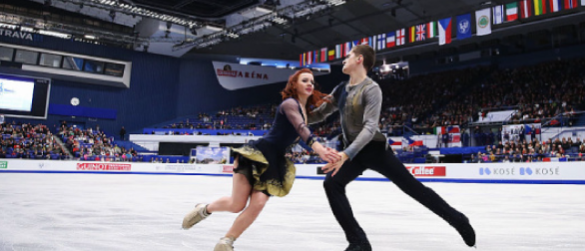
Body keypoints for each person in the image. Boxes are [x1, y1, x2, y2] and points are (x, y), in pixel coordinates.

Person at [309, 45, 476, 251]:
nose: (343, 60)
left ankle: (458, 219)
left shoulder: (371, 89)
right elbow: (320, 114)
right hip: (352, 152)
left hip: (374, 150)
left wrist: (346, 154)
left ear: (359, 59)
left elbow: (370, 128)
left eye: (348, 56)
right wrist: (295, 113)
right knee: (332, 184)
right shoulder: (340, 89)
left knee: (414, 189)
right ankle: (358, 242)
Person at [181, 68, 339, 251]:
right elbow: (301, 127)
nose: (310, 84)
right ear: (294, 85)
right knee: (236, 205)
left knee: (259, 203)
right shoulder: (289, 104)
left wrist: (342, 99)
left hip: (274, 161)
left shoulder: (304, 110)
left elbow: (311, 121)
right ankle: (204, 209)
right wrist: (317, 147)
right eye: (305, 80)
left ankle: (226, 242)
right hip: (257, 154)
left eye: (312, 81)